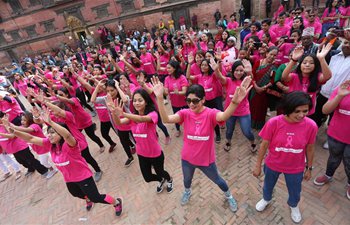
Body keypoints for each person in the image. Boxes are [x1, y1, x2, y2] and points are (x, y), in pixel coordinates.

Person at [152, 75, 253, 212]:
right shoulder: (185, 113)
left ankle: (228, 196)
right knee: (187, 181)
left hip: (206, 161)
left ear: (203, 100)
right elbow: (166, 119)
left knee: (218, 180)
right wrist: (159, 98)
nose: (191, 104)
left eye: (195, 100)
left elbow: (223, 116)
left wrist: (234, 103)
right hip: (187, 159)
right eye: (188, 100)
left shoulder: (210, 114)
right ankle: (187, 192)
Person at [5, 109, 123, 216]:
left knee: (96, 197)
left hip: (83, 177)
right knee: (75, 194)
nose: (49, 135)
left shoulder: (70, 145)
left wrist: (50, 122)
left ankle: (116, 202)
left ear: (60, 134)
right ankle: (87, 199)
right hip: (69, 179)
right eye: (48, 133)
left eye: (52, 133)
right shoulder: (50, 144)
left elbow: (67, 134)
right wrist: (13, 131)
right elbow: (30, 138)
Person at [253, 91, 318, 223]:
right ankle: (266, 199)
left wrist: (309, 168)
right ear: (288, 109)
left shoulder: (311, 126)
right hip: (273, 164)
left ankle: (293, 205)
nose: (301, 115)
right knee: (268, 185)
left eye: (305, 111)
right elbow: (264, 145)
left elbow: (310, 148)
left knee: (295, 190)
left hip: (296, 167)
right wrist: (258, 166)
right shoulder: (274, 123)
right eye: (297, 111)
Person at [107, 89, 174, 194]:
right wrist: (114, 113)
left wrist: (123, 113)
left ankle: (169, 179)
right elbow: (119, 123)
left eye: (140, 100)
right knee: (147, 178)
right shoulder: (132, 116)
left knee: (160, 172)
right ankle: (161, 180)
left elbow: (142, 119)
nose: (136, 103)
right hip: (142, 153)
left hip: (155, 153)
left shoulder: (153, 114)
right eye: (135, 100)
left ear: (146, 101)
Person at [313, 80, 350, 200]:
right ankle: (328, 175)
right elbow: (325, 110)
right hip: (336, 134)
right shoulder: (343, 88)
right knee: (334, 157)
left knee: (349, 162)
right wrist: (339, 96)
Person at [214, 59, 256, 152]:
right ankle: (228, 142)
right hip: (230, 112)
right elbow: (220, 77)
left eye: (241, 70)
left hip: (243, 112)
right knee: (229, 130)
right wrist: (216, 69)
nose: (239, 72)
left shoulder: (245, 81)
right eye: (236, 70)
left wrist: (249, 71)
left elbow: (250, 78)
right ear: (232, 71)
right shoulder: (228, 81)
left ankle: (252, 142)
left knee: (247, 131)